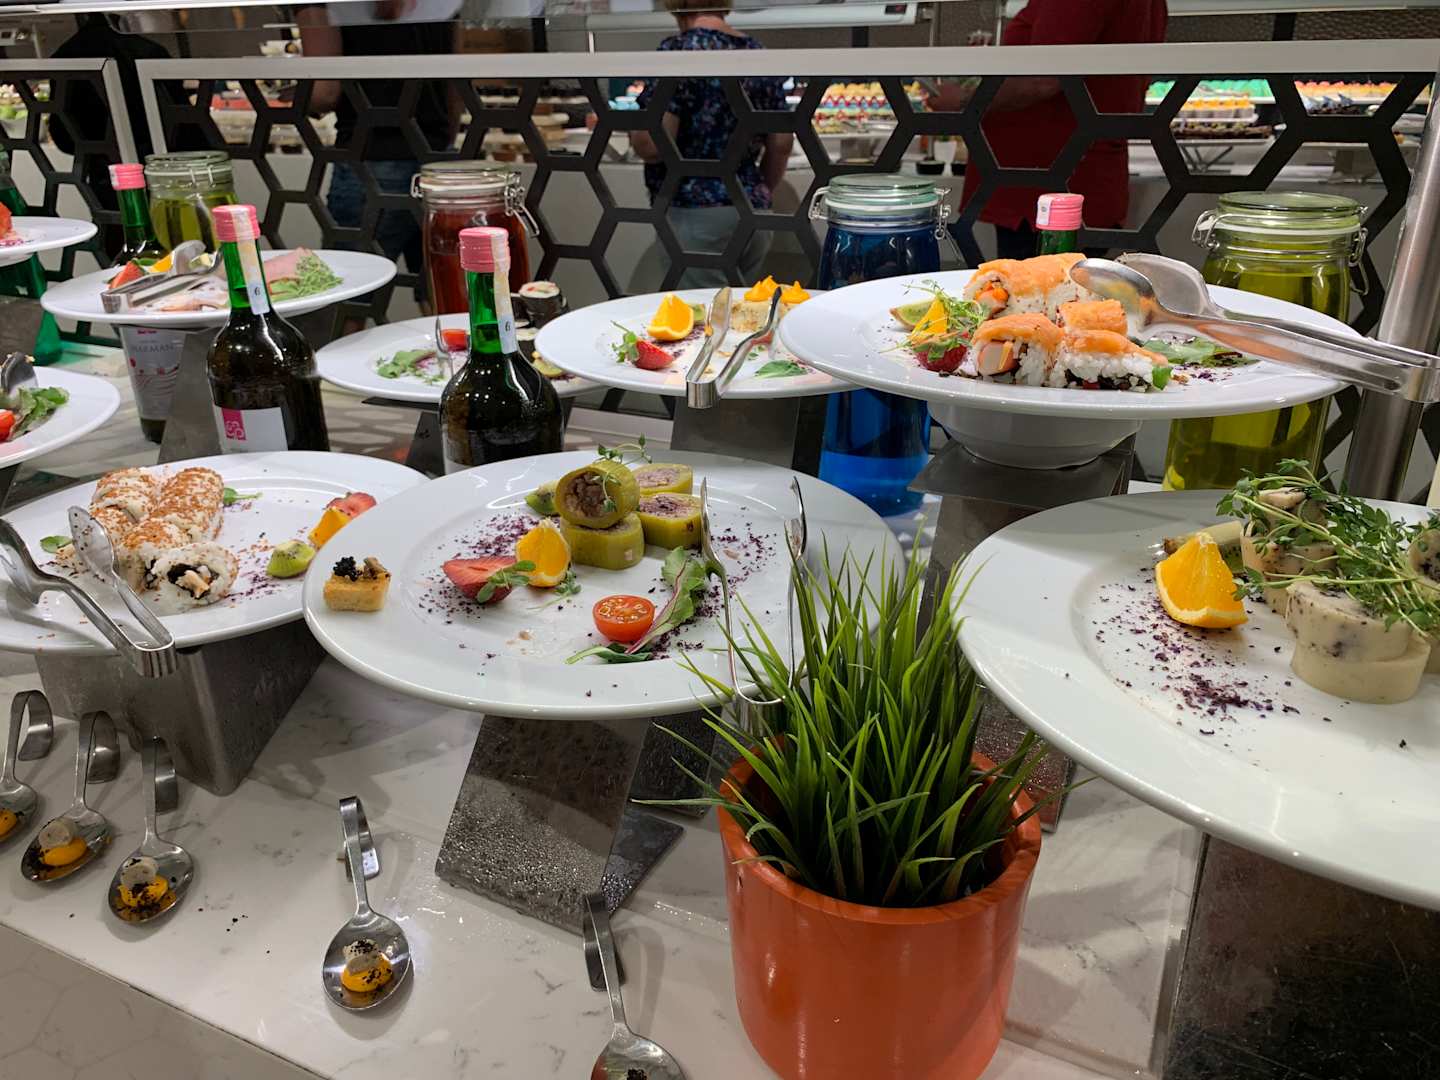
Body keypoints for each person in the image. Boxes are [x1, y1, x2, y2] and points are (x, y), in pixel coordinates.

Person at [930, 0, 1168, 261]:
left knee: (1037, 282)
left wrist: (963, 100)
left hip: (1044, 188)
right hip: (1071, 179)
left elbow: (1043, 79)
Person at [297, 0, 460, 311]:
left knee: (349, 304)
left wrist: (293, 97)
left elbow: (324, 92)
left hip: (370, 160)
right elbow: (455, 82)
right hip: (435, 159)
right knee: (439, 298)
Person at [628, 0, 794, 291]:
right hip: (753, 211)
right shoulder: (756, 52)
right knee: (741, 310)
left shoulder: (678, 52)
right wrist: (758, 190)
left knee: (702, 313)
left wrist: (635, 129)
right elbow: (781, 143)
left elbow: (652, 145)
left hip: (693, 210)